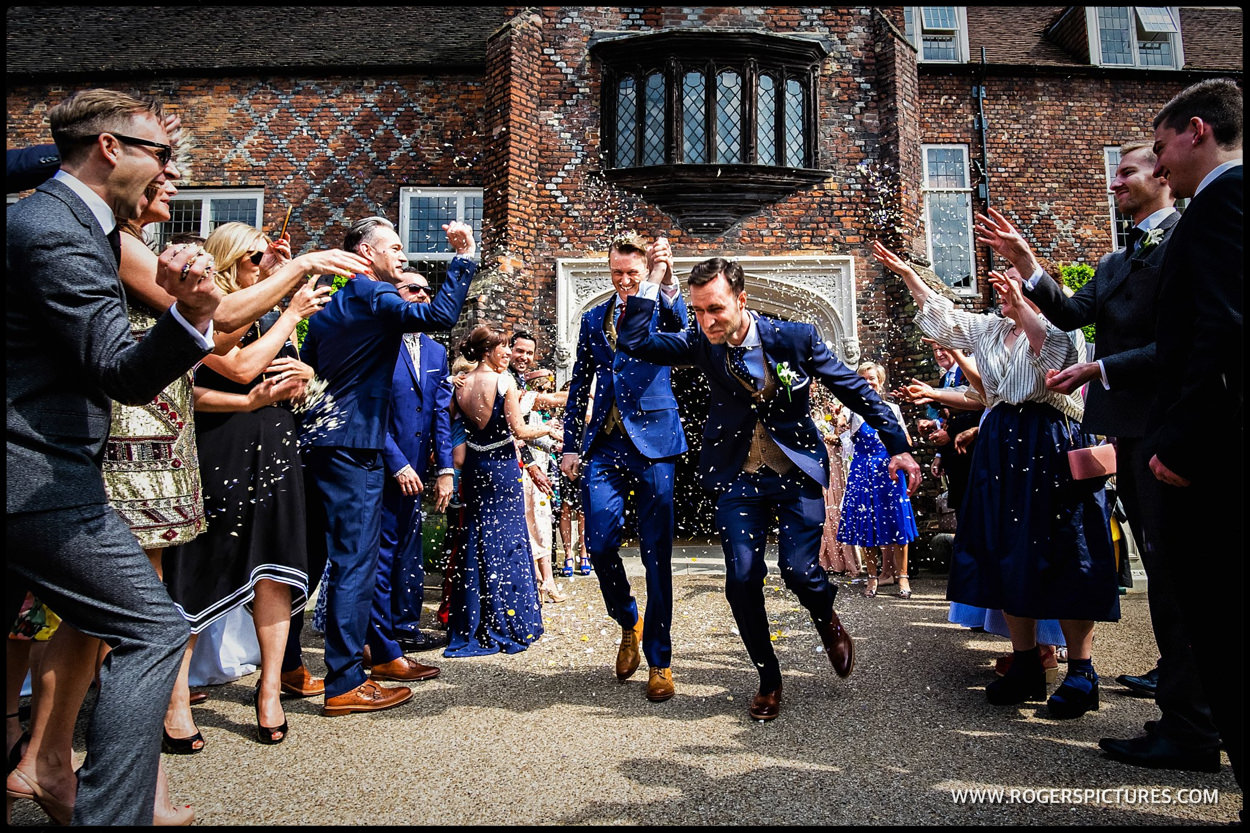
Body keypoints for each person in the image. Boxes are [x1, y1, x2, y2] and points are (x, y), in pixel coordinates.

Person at [6, 88, 219, 826]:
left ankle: (44, 768)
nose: (168, 170)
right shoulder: (55, 229)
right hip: (36, 478)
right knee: (154, 627)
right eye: (159, 152)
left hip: (41, 471)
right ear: (109, 149)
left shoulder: (61, 220)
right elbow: (116, 367)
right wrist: (191, 314)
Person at [975, 141, 1221, 773]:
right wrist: (1028, 263)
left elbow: (1191, 339)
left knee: (1180, 581)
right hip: (1129, 434)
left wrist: (1102, 365)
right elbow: (1073, 310)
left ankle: (1194, 722)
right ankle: (1187, 718)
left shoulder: (1192, 238)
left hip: (1170, 428)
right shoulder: (1117, 260)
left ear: (1163, 177)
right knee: (1167, 581)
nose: (1117, 181)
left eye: (1127, 170)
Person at [618, 254, 921, 721]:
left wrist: (898, 444)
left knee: (801, 572)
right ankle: (768, 677)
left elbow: (853, 390)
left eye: (715, 309)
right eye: (698, 311)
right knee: (740, 579)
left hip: (796, 471)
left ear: (742, 299)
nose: (706, 320)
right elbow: (635, 340)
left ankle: (827, 620)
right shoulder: (701, 342)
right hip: (738, 476)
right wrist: (654, 281)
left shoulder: (795, 339)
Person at [872, 240, 1117, 721]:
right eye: (1003, 283)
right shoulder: (989, 330)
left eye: (1016, 282)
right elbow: (942, 315)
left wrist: (1028, 304)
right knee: (1007, 550)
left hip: (1048, 439)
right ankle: (1025, 663)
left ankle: (1081, 672)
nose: (1004, 288)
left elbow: (1055, 359)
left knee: (1064, 549)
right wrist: (907, 274)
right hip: (1001, 440)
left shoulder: (1060, 328)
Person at [159, 221, 337, 750]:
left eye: (266, 259)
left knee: (275, 570)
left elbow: (275, 375)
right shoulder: (202, 319)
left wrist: (301, 379)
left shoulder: (259, 317)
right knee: (197, 571)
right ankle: (174, 699)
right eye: (255, 259)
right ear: (228, 259)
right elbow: (237, 372)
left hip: (275, 445)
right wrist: (289, 311)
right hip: (221, 448)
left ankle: (269, 692)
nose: (264, 266)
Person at [299, 216, 475, 716]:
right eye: (393, 248)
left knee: (310, 559)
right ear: (365, 253)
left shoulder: (330, 307)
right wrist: (463, 260)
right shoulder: (372, 294)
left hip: (318, 439)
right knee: (356, 562)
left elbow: (311, 371)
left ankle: (292, 665)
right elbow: (439, 316)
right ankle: (345, 683)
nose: (401, 255)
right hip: (355, 445)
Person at [1143, 78, 1242, 786]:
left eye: (1160, 146)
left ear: (1196, 129)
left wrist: (1180, 445)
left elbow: (1225, 334)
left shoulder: (1223, 204)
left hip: (1214, 462)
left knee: (1221, 627)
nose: (1159, 164)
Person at [560, 233, 689, 704]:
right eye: (617, 272)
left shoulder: (663, 306)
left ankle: (660, 661)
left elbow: (685, 333)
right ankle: (628, 618)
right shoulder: (594, 319)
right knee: (597, 541)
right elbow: (579, 385)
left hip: (655, 442)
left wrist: (667, 282)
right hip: (606, 444)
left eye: (632, 273)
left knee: (658, 554)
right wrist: (571, 445)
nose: (625, 280)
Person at [444, 324, 557, 655]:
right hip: (503, 468)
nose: (508, 353)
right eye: (502, 347)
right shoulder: (503, 381)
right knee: (507, 539)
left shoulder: (460, 385)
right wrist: (547, 428)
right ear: (487, 351)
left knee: (478, 538)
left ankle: (475, 621)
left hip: (476, 470)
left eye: (509, 347)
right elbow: (519, 430)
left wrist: (449, 383)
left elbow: (448, 418)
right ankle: (509, 621)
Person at [375, 269, 454, 654]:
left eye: (428, 290)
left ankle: (406, 626)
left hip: (420, 469)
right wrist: (396, 462)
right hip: (380, 464)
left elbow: (440, 414)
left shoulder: (438, 351)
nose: (423, 295)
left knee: (410, 545)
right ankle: (378, 635)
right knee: (381, 549)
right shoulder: (377, 343)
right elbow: (369, 411)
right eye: (413, 289)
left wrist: (444, 470)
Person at [837, 361, 919, 599]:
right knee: (866, 523)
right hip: (862, 470)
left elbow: (906, 441)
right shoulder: (852, 410)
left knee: (898, 521)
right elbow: (840, 428)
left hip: (890, 470)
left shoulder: (892, 408)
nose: (868, 382)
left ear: (880, 381)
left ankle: (902, 576)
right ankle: (872, 577)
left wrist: (900, 443)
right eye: (863, 379)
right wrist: (838, 420)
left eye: (872, 378)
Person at [520, 367, 568, 603]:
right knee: (531, 525)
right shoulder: (525, 401)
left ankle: (546, 580)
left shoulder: (541, 408)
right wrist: (552, 440)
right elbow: (523, 436)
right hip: (525, 471)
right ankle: (539, 581)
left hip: (543, 469)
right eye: (544, 385)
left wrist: (554, 446)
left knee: (543, 523)